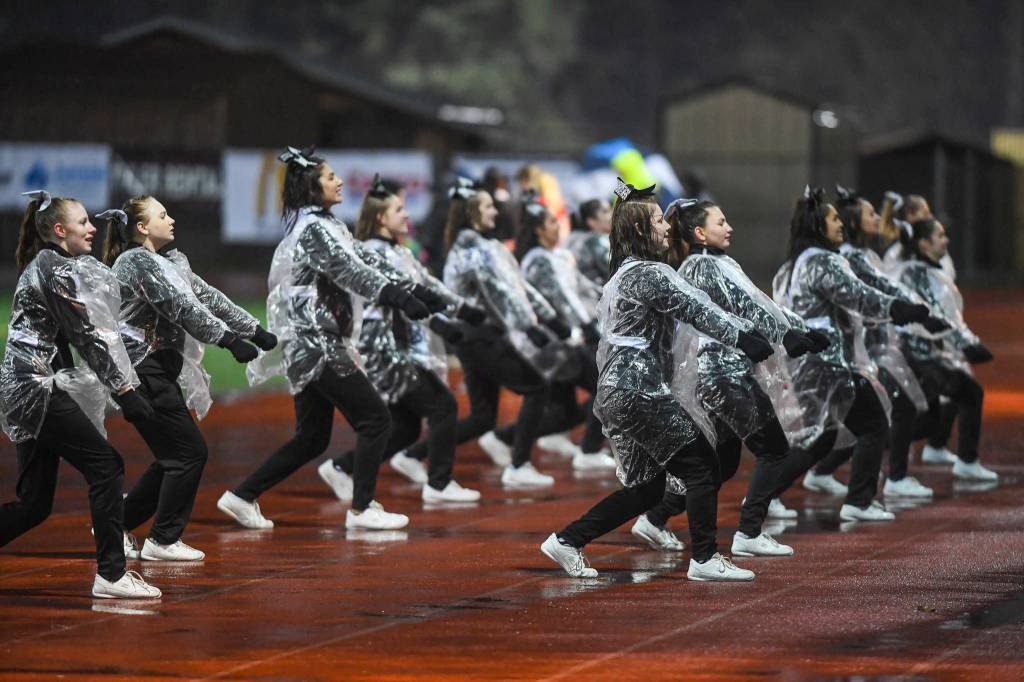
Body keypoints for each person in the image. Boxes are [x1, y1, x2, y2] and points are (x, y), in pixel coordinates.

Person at [541, 179, 772, 582]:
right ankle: (704, 559)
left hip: (621, 389)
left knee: (647, 490)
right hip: (638, 389)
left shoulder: (627, 273)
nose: (667, 227)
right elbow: (696, 307)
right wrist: (743, 337)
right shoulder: (649, 273)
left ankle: (567, 540)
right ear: (638, 230)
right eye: (657, 222)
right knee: (702, 465)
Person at [219, 147, 434, 532]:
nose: (338, 181)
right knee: (375, 419)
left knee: (313, 438)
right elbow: (351, 271)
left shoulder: (324, 224)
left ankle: (241, 495)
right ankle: (362, 508)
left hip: (310, 342)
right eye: (330, 177)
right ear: (312, 187)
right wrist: (398, 296)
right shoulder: (315, 229)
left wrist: (419, 291)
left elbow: (368, 262)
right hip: (316, 342)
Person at [638, 197, 827, 558]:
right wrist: (784, 335)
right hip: (722, 374)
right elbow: (745, 303)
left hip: (722, 373)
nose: (729, 227)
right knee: (773, 449)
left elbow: (761, 301)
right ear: (699, 232)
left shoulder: (717, 261)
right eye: (720, 222)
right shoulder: (703, 266)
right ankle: (749, 532)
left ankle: (655, 517)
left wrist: (800, 329)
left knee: (721, 464)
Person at [0, 190, 160, 599]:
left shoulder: (50, 265)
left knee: (34, 505)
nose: (92, 228)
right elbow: (89, 334)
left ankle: (111, 573)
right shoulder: (54, 270)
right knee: (106, 467)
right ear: (59, 230)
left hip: (24, 388)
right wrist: (126, 391)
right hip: (35, 388)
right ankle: (111, 575)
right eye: (84, 222)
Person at [100, 196, 272, 561]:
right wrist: (227, 340)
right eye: (162, 215)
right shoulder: (134, 262)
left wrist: (254, 330)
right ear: (142, 227)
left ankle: (114, 524)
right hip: (141, 370)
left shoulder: (169, 261)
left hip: (159, 370)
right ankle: (163, 539)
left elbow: (208, 297)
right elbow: (181, 306)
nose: (171, 219)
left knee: (171, 455)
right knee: (189, 453)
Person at [770, 187, 934, 522]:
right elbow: (858, 295)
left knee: (820, 438)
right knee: (873, 423)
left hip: (819, 362)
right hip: (828, 362)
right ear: (818, 225)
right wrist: (897, 308)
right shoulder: (821, 261)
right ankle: (857, 501)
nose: (839, 223)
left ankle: (762, 496)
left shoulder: (804, 261)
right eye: (833, 218)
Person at [318, 175, 483, 503]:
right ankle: (438, 484)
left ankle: (341, 466)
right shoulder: (379, 252)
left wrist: (460, 310)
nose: (406, 215)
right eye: (399, 209)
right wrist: (443, 323)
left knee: (405, 427)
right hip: (385, 347)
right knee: (443, 406)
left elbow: (425, 286)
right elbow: (407, 297)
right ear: (381, 217)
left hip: (398, 345)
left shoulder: (397, 250)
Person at [803, 187, 944, 499]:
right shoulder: (848, 257)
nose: (878, 219)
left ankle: (822, 472)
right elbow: (876, 290)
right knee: (894, 411)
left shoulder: (861, 254)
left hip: (870, 347)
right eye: (870, 214)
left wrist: (917, 311)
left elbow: (884, 286)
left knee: (855, 422)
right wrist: (911, 310)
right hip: (863, 350)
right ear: (855, 223)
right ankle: (890, 480)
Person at [430, 177, 565, 488]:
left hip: (473, 337)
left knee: (482, 417)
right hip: (479, 335)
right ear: (473, 213)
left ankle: (413, 454)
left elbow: (517, 285)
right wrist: (530, 327)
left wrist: (548, 319)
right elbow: (501, 291)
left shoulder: (481, 246)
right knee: (537, 388)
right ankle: (519, 465)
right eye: (489, 206)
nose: (495, 210)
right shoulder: (477, 249)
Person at [514, 195, 615, 471]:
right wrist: (588, 326)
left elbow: (581, 288)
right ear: (538, 230)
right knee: (602, 385)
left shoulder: (560, 255)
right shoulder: (538, 260)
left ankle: (504, 438)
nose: (557, 225)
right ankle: (589, 450)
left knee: (566, 411)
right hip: (552, 342)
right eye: (550, 222)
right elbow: (561, 299)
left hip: (568, 339)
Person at [893, 218, 996, 481]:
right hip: (916, 356)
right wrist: (968, 344)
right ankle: (966, 461)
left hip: (923, 354)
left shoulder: (923, 270)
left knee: (929, 417)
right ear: (924, 243)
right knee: (970, 392)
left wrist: (966, 344)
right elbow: (938, 317)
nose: (946, 240)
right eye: (940, 235)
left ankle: (880, 444)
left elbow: (945, 317)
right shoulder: (916, 274)